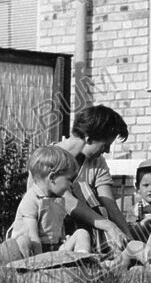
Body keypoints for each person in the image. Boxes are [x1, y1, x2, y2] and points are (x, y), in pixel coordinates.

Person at [51, 104, 134, 252]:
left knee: (94, 201)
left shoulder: (96, 161)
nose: (107, 151)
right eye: (105, 145)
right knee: (82, 189)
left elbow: (109, 203)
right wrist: (109, 226)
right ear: (88, 139)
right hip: (52, 227)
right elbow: (67, 202)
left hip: (85, 226)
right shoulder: (48, 158)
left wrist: (129, 238)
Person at [0, 145, 93, 261]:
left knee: (81, 233)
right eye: (69, 179)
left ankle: (82, 260)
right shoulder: (30, 199)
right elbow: (32, 234)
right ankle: (23, 262)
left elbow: (57, 227)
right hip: (34, 248)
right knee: (24, 241)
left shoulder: (58, 198)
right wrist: (41, 259)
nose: (71, 184)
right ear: (52, 177)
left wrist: (64, 240)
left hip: (53, 249)